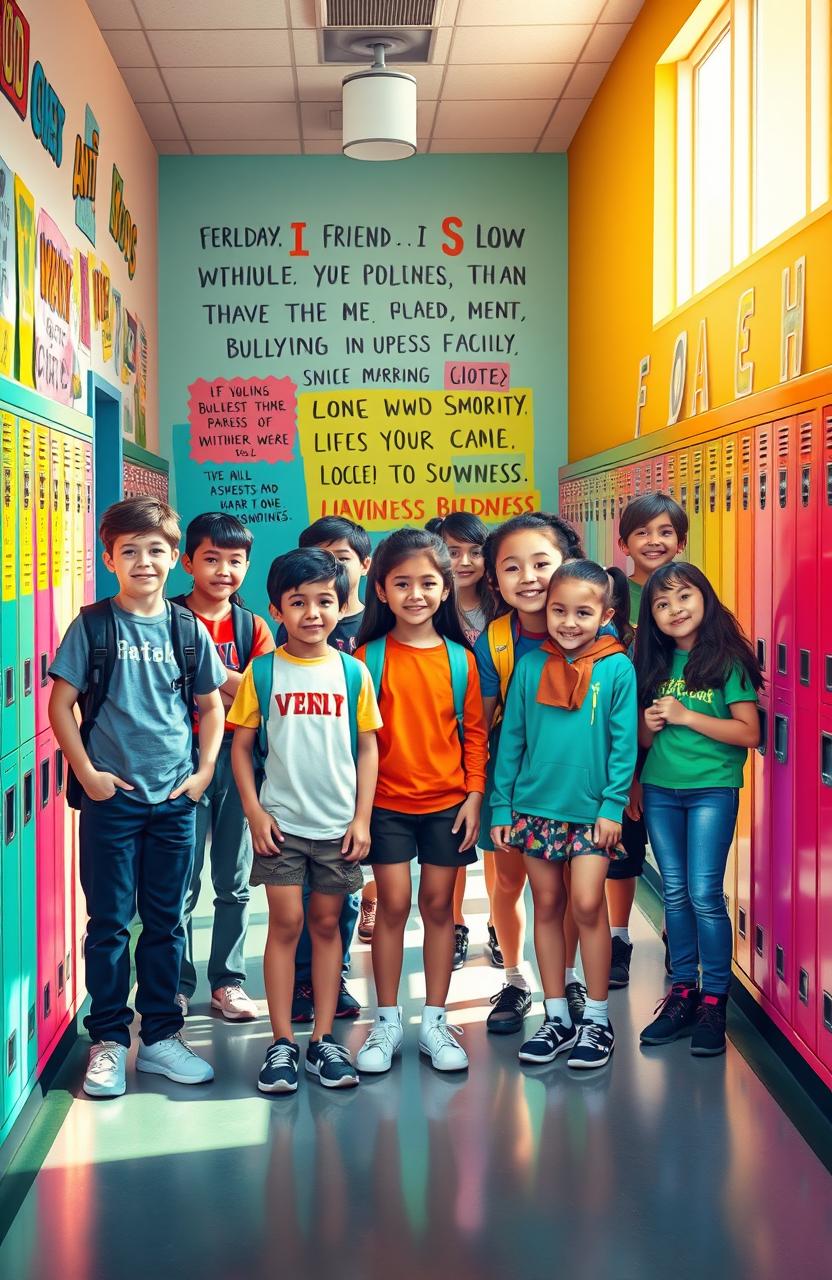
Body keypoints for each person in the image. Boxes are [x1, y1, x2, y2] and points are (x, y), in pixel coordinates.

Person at [48, 497, 226, 1098]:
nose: (144, 561)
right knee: (107, 924)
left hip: (174, 798)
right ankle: (108, 1041)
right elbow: (59, 708)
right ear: (109, 559)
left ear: (174, 558)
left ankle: (161, 1040)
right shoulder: (93, 625)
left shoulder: (187, 629)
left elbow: (211, 706)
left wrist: (202, 773)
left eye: (155, 550)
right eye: (130, 551)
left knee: (168, 920)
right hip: (112, 801)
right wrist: (90, 775)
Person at [229, 549, 381, 1092]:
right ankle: (281, 1044)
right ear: (278, 609)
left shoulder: (352, 672)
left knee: (325, 927)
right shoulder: (263, 672)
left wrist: (362, 818)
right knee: (286, 924)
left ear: (342, 606)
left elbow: (367, 749)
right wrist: (253, 812)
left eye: (325, 601)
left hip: (339, 827)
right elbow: (241, 748)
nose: (312, 613)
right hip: (283, 827)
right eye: (298, 602)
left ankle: (322, 1041)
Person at [490, 560, 637, 1070]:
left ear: (606, 613)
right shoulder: (531, 666)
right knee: (546, 905)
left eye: (582, 612)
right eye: (558, 611)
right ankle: (557, 1015)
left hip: (593, 812)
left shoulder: (616, 666)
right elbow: (512, 740)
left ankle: (597, 1018)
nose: (569, 622)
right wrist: (501, 804)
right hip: (535, 807)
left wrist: (613, 804)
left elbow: (623, 744)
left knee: (587, 904)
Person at [354, 528, 488, 1074]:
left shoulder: (461, 659)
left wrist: (475, 795)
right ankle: (386, 1020)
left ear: (445, 588)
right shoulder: (367, 656)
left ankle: (434, 1019)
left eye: (428, 583)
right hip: (385, 804)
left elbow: (475, 734)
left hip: (447, 804)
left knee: (438, 908)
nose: (416, 594)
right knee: (391, 906)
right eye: (402, 583)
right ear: (381, 590)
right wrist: (359, 813)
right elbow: (356, 741)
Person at [635, 563, 761, 1057]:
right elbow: (646, 741)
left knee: (705, 893)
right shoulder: (653, 665)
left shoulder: (726, 661)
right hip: (661, 788)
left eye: (683, 597)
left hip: (711, 788)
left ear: (704, 598)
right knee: (675, 892)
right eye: (662, 605)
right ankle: (683, 992)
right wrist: (649, 722)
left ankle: (715, 999)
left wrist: (687, 715)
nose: (674, 610)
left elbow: (749, 733)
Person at [474, 512, 585, 1035]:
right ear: (495, 580)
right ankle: (516, 980)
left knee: (563, 886)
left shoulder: (595, 632)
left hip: (573, 787)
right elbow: (481, 726)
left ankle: (567, 978)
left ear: (568, 564)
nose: (530, 577)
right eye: (513, 567)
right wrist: (484, 793)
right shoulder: (496, 640)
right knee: (508, 880)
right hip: (511, 784)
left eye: (542, 563)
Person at [175, 512, 275, 1021]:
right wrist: (231, 682)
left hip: (238, 760)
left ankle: (228, 982)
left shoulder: (251, 625)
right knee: (180, 882)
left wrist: (208, 671)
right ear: (187, 561)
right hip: (179, 761)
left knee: (233, 880)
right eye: (211, 559)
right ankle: (176, 983)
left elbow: (262, 692)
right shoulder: (166, 618)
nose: (223, 570)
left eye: (234, 561)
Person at [274, 516, 373, 1022]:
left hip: (352, 784)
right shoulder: (289, 631)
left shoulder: (371, 625)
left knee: (342, 898)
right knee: (300, 898)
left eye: (340, 560)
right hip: (298, 787)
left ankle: (333, 980)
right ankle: (302, 984)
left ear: (362, 565)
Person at [609, 493, 688, 986]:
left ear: (681, 541)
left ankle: (676, 931)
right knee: (624, 849)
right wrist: (630, 773)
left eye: (664, 532)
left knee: (678, 849)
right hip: (624, 742)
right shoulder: (613, 597)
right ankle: (619, 937)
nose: (653, 541)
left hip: (677, 741)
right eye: (642, 532)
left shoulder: (691, 592)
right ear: (624, 543)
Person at [434, 512, 499, 970]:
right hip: (442, 740)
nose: (465, 561)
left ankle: (498, 923)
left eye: (475, 551)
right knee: (453, 843)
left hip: (494, 738)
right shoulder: (431, 607)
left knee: (496, 841)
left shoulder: (500, 608)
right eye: (453, 551)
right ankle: (456, 925)